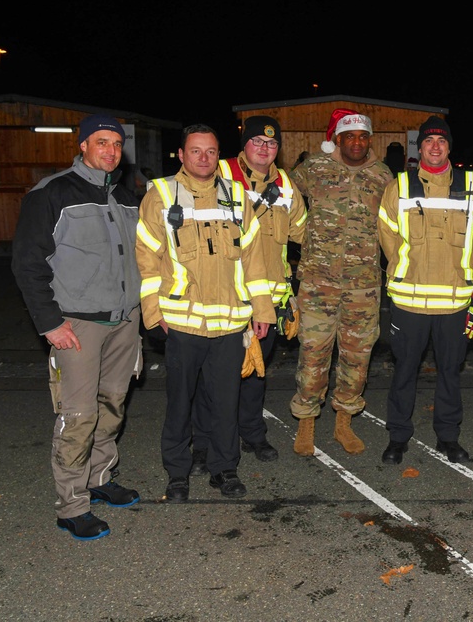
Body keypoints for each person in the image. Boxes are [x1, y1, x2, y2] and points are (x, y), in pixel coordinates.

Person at [11, 114, 143, 541]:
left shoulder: (125, 197)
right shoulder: (51, 193)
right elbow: (28, 264)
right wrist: (50, 324)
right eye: (101, 142)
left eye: (117, 144)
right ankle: (71, 505)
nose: (110, 150)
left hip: (124, 321)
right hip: (76, 326)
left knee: (113, 405)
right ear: (83, 145)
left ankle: (100, 478)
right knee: (78, 416)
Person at [136, 124, 276, 502]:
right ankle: (177, 474)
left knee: (225, 402)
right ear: (181, 155)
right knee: (180, 403)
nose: (204, 158)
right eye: (195, 151)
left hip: (230, 323)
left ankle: (224, 469)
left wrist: (262, 310)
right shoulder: (161, 195)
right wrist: (153, 314)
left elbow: (255, 260)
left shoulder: (237, 196)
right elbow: (147, 260)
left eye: (211, 151)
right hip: (182, 322)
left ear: (219, 155)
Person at [187, 116, 307, 474]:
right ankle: (204, 444)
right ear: (244, 143)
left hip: (266, 302)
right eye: (257, 141)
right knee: (212, 380)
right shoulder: (219, 173)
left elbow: (304, 234)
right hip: (221, 297)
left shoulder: (286, 184)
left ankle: (253, 433)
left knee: (255, 374)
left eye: (271, 144)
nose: (265, 148)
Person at [377, 116, 473, 465]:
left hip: (454, 302)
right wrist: (406, 267)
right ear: (420, 147)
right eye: (429, 141)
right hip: (409, 301)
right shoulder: (401, 184)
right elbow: (387, 233)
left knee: (450, 376)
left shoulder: (472, 186)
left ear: (449, 147)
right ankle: (398, 438)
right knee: (404, 373)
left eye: (441, 140)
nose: (435, 146)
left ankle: (448, 438)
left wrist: (472, 289)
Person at [288, 108, 394, 456]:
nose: (357, 142)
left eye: (364, 136)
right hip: (318, 283)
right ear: (337, 140)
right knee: (313, 352)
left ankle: (343, 424)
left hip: (363, 286)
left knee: (357, 357)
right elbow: (283, 200)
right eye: (350, 136)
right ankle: (306, 423)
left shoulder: (383, 176)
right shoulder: (315, 169)